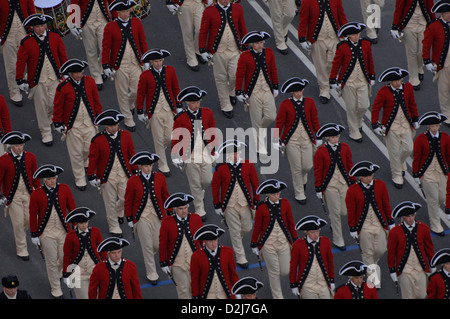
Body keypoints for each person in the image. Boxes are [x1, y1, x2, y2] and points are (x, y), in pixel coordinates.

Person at [16, 13, 68, 146]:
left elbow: (62, 55)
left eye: (42, 25)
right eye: (37, 26)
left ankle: (53, 119)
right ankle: (46, 132)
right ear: (32, 28)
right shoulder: (26, 42)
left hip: (55, 76)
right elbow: (21, 62)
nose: (40, 28)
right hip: (37, 81)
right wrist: (19, 79)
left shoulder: (55, 37)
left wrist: (67, 71)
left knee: (54, 102)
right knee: (41, 107)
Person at [52, 59, 103, 191]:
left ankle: (86, 163)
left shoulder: (90, 81)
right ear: (70, 74)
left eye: (80, 72)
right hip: (73, 126)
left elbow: (96, 100)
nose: (79, 75)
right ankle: (79, 177)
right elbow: (58, 107)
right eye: (76, 73)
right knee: (75, 153)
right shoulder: (62, 87)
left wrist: (99, 115)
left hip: (90, 122)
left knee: (89, 148)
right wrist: (57, 122)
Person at [87, 109, 137, 237]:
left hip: (124, 174)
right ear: (105, 126)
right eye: (110, 126)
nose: (114, 128)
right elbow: (93, 159)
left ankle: (119, 209)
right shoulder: (97, 140)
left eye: (115, 125)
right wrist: (91, 175)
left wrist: (135, 170)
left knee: (126, 199)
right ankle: (114, 226)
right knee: (109, 203)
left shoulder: (126, 136)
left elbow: (131, 154)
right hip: (106, 177)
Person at [29, 164, 76, 299]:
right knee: (50, 261)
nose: (52, 181)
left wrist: (75, 229)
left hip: (63, 231)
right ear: (44, 180)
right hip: (46, 232)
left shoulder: (65, 189)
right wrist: (34, 234)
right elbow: (33, 215)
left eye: (54, 178)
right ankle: (56, 288)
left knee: (65, 257)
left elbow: (72, 210)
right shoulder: (36, 194)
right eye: (49, 179)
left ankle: (65, 275)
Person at [171, 86, 217, 221]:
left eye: (197, 102)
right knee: (195, 183)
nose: (196, 105)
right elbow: (176, 138)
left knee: (207, 179)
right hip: (188, 154)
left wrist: (214, 150)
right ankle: (199, 208)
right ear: (187, 103)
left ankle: (199, 193)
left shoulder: (208, 113)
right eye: (192, 103)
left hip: (205, 151)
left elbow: (213, 131)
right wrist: (175, 157)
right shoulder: (180, 118)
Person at [211, 139, 259, 268]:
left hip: (245, 204)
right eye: (233, 153)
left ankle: (236, 237)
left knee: (248, 227)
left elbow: (255, 184)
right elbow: (215, 187)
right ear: (228, 155)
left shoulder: (248, 165)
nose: (235, 155)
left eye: (237, 152)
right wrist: (217, 204)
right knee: (235, 232)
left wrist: (256, 200)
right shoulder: (220, 168)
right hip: (229, 205)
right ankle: (240, 257)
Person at [102, 0, 149, 131]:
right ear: (117, 13)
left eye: (127, 11)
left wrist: (146, 60)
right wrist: (106, 66)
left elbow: (143, 42)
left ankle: (129, 104)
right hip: (119, 65)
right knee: (122, 93)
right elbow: (106, 48)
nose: (125, 14)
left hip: (135, 63)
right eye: (123, 12)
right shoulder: (110, 27)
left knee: (138, 90)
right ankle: (127, 117)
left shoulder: (136, 23)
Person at [124, 151, 170, 285]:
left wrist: (170, 212)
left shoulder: (160, 178)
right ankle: (151, 272)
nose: (149, 168)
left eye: (150, 165)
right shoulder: (133, 181)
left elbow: (165, 196)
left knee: (157, 243)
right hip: (141, 217)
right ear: (140, 167)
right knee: (147, 246)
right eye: (145, 166)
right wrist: (130, 219)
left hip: (157, 215)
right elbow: (128, 201)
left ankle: (148, 257)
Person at [273, 77, 320, 204]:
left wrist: (319, 135)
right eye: (296, 91)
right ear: (292, 92)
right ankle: (299, 193)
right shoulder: (285, 104)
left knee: (307, 165)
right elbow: (280, 123)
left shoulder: (310, 102)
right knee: (296, 168)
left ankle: (303, 179)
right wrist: (276, 139)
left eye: (301, 90)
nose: (299, 93)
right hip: (291, 141)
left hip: (307, 139)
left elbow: (314, 120)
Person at [371, 67, 419, 189]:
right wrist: (375, 124)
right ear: (390, 82)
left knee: (408, 148)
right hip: (391, 127)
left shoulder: (408, 87)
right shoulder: (383, 92)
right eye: (395, 81)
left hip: (406, 124)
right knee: (394, 152)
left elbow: (412, 103)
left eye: (399, 80)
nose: (398, 83)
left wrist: (415, 119)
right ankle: (397, 175)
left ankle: (399, 163)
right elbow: (376, 108)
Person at [136, 49, 181, 177]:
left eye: (160, 60)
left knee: (170, 136)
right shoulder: (145, 75)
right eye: (156, 61)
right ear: (151, 62)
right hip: (154, 112)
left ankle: (160, 149)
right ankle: (163, 165)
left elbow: (175, 88)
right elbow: (141, 94)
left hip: (168, 109)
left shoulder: (170, 70)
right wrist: (140, 111)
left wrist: (178, 106)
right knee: (158, 139)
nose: (158, 63)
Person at [199, 0, 247, 118]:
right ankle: (225, 104)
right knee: (220, 78)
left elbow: (242, 26)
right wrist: (202, 49)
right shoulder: (209, 11)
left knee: (235, 75)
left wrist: (245, 45)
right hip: (218, 52)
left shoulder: (238, 8)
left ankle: (231, 91)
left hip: (235, 50)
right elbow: (203, 31)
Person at [251, 179, 297, 299]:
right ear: (268, 195)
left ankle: (274, 280)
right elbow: (257, 227)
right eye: (273, 194)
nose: (276, 196)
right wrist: (254, 244)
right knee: (274, 272)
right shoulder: (261, 208)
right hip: (268, 244)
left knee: (285, 270)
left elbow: (290, 223)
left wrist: (295, 239)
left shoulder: (285, 203)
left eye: (278, 194)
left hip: (283, 242)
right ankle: (277, 296)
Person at [329, 22, 375, 143]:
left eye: (358, 34)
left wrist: (372, 75)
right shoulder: (342, 46)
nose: (357, 36)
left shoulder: (365, 44)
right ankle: (354, 131)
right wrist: (333, 79)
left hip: (363, 80)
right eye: (354, 35)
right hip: (348, 82)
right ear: (349, 35)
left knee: (364, 105)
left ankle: (358, 121)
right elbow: (336, 64)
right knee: (350, 108)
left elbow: (369, 60)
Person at [235, 31, 279, 155]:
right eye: (257, 43)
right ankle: (260, 147)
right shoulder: (245, 56)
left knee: (271, 116)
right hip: (253, 93)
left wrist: (275, 86)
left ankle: (259, 130)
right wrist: (238, 91)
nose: (260, 45)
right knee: (256, 120)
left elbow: (273, 70)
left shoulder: (269, 53)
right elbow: (240, 75)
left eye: (261, 42)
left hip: (267, 90)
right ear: (251, 44)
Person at [314, 123, 355, 250]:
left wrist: (353, 182)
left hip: (344, 183)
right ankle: (338, 239)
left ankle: (332, 218)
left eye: (337, 136)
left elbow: (349, 166)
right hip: (329, 186)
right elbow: (318, 171)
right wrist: (318, 188)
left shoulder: (345, 148)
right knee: (336, 213)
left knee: (344, 211)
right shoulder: (320, 152)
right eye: (332, 137)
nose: (335, 139)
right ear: (327, 138)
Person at [345, 161, 394, 268]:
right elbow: (351, 211)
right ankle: (373, 283)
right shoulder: (352, 190)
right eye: (366, 176)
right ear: (360, 177)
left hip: (379, 224)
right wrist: (352, 228)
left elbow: (386, 204)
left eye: (370, 175)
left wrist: (390, 221)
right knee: (368, 254)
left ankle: (372, 263)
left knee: (381, 249)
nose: (369, 178)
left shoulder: (381, 185)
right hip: (363, 227)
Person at [298, 0, 347, 104]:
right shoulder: (307, 1)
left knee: (332, 62)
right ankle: (324, 90)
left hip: (334, 37)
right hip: (317, 39)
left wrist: (346, 31)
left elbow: (341, 14)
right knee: (320, 66)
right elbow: (303, 19)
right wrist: (302, 38)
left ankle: (330, 79)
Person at [0, 131, 39, 261]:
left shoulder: (31, 157)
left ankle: (20, 233)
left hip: (28, 193)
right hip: (13, 196)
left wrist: (38, 190)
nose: (20, 148)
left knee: (28, 219)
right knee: (18, 222)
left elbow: (35, 176)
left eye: (21, 145)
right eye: (17, 145)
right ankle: (22, 249)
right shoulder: (4, 160)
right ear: (11, 146)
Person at [412, 111, 450, 236]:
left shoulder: (445, 137)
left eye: (437, 125)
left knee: (442, 197)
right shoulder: (421, 139)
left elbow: (448, 155)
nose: (435, 128)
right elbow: (417, 157)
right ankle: (435, 224)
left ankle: (432, 210)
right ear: (428, 126)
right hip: (427, 172)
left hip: (441, 171)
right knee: (433, 199)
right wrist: (416, 174)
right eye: (432, 126)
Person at [159, 192, 203, 299]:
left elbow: (202, 239)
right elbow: (163, 244)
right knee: (184, 291)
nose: (184, 211)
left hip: (195, 262)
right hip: (177, 264)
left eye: (185, 207)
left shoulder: (196, 218)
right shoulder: (167, 222)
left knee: (197, 290)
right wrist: (163, 263)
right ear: (175, 209)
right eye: (181, 208)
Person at [387, 201, 435, 299]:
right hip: (404, 270)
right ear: (403, 218)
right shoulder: (394, 232)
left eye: (412, 215)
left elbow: (429, 248)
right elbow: (391, 253)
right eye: (408, 216)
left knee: (422, 295)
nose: (411, 218)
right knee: (408, 297)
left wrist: (432, 263)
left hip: (420, 268)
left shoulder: (423, 228)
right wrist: (392, 270)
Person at [68, 0, 114, 90]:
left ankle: (101, 67)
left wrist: (116, 16)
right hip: (87, 22)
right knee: (91, 51)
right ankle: (96, 77)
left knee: (106, 48)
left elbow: (112, 1)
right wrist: (72, 23)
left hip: (103, 19)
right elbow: (74, 4)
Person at [62, 207, 106, 299]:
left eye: (86, 222)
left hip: (94, 270)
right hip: (76, 274)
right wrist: (66, 274)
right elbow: (67, 256)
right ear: (77, 223)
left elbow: (102, 252)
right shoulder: (70, 236)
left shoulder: (96, 232)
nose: (84, 225)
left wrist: (106, 267)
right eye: (81, 223)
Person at [391, 0, 435, 90]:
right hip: (408, 25)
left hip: (423, 24)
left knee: (422, 51)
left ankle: (419, 67)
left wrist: (434, 22)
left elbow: (430, 7)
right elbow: (399, 8)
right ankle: (413, 77)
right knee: (411, 52)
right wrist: (395, 26)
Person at [290, 215, 335, 299]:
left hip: (323, 284)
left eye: (317, 231)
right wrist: (293, 284)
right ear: (306, 232)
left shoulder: (326, 242)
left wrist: (332, 280)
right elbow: (293, 266)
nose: (316, 235)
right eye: (312, 232)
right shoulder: (297, 245)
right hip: (307, 286)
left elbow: (330, 262)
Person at [0, 0, 35, 107]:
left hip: (24, 32)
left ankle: (29, 83)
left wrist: (34, 27)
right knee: (11, 66)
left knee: (29, 62)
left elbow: (31, 10)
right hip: (7, 35)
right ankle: (15, 93)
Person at [190, 224, 239, 299]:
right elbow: (195, 279)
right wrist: (195, 296)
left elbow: (232, 274)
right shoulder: (196, 256)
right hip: (207, 295)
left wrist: (237, 290)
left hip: (225, 294)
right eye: (210, 241)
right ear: (205, 241)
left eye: (215, 240)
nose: (213, 243)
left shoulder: (228, 252)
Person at [422, 0, 450, 126]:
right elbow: (426, 45)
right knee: (444, 90)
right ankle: (447, 115)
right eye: (446, 12)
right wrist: (427, 61)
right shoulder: (433, 26)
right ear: (441, 14)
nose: (449, 15)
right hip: (443, 64)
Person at [165, 0, 208, 71]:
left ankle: (198, 50)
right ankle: (191, 58)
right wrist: (169, 2)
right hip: (184, 4)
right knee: (187, 32)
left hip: (199, 3)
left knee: (201, 30)